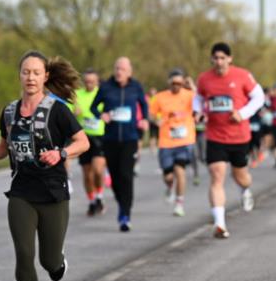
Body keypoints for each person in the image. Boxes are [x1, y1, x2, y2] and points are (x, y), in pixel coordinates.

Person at [0, 52, 89, 281]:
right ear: (20, 75)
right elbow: (5, 146)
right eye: (26, 72)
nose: (31, 78)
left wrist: (61, 153)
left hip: (53, 192)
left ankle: (58, 259)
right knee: (24, 253)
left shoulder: (58, 109)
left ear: (45, 76)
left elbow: (82, 142)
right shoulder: (10, 112)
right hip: (21, 191)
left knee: (49, 262)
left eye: (36, 72)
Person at [196, 42, 265, 239]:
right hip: (215, 135)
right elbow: (198, 98)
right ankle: (220, 223)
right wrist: (198, 112)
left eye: (222, 58)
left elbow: (259, 98)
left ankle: (245, 190)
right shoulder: (204, 79)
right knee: (217, 175)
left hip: (238, 136)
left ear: (229, 59)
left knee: (240, 175)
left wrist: (242, 114)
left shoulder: (242, 75)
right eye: (215, 58)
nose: (219, 62)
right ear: (211, 59)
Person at [90, 57, 148, 232]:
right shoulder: (106, 87)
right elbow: (94, 107)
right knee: (115, 178)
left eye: (122, 69)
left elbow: (144, 105)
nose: (118, 72)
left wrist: (144, 119)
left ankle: (125, 214)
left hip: (130, 138)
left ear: (129, 71)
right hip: (110, 139)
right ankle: (122, 203)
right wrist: (102, 115)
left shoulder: (136, 87)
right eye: (116, 68)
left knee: (126, 175)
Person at [148, 69, 196, 217]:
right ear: (169, 82)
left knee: (180, 171)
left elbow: (201, 100)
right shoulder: (160, 97)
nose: (176, 85)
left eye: (179, 83)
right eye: (173, 83)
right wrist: (156, 120)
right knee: (168, 176)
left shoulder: (189, 95)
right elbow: (150, 114)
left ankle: (179, 204)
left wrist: (192, 85)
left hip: (184, 140)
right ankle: (170, 187)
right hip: (166, 141)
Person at [73, 68, 107, 216]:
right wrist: (74, 113)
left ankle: (99, 196)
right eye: (87, 81)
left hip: (99, 136)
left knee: (98, 170)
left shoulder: (103, 94)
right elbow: (66, 113)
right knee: (87, 174)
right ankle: (92, 201)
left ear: (97, 81)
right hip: (83, 137)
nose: (89, 84)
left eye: (92, 81)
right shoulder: (76, 95)